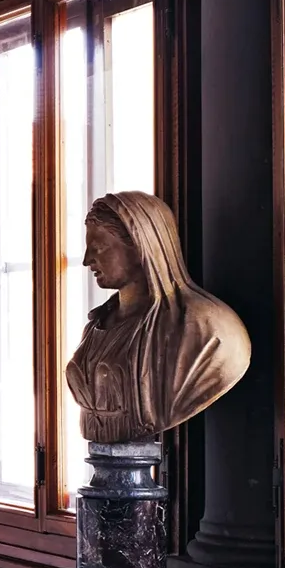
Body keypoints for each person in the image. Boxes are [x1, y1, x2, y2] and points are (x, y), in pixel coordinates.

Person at [64, 190, 251, 443]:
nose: (87, 260)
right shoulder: (96, 326)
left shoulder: (206, 328)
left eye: (99, 248)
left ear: (140, 245)